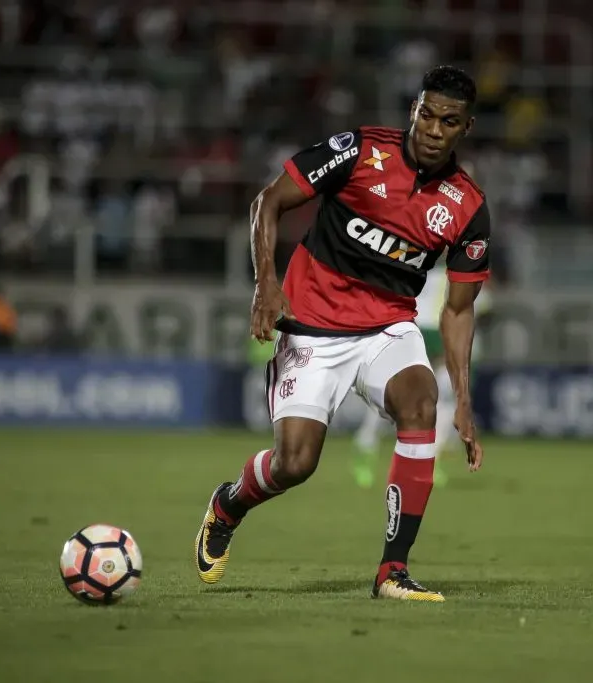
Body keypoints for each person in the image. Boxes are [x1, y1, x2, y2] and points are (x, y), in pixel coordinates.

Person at [195, 66, 491, 601]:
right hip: (312, 324)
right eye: (426, 114)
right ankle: (228, 504)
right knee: (296, 464)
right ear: (413, 111)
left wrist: (463, 400)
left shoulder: (467, 206)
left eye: (449, 121)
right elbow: (269, 200)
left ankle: (392, 571)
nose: (432, 129)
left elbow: (458, 310)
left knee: (422, 406)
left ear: (464, 128)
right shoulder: (359, 151)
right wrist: (265, 282)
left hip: (387, 327)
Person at [350, 260, 493, 489]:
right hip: (430, 328)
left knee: (442, 396)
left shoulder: (430, 267)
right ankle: (367, 444)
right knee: (403, 397)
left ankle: (427, 460)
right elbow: (484, 312)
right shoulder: (463, 273)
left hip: (429, 326)